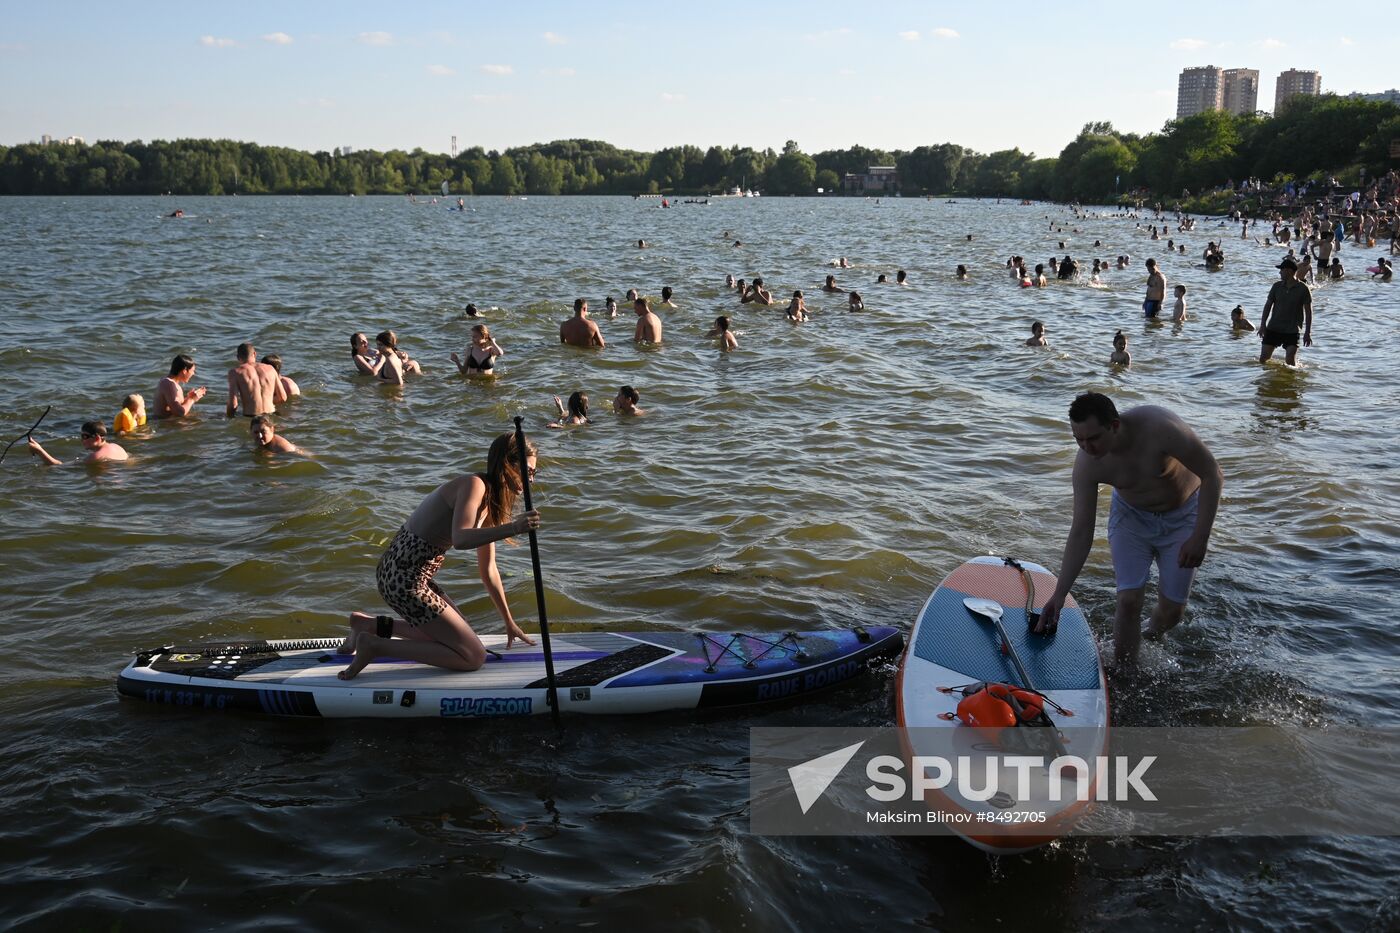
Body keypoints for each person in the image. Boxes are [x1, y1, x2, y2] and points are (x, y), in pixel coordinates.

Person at [336, 432, 541, 680]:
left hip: (412, 576)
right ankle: (375, 645)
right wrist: (514, 528)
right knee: (473, 656)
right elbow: (461, 538)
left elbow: (489, 570)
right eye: (528, 470)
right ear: (507, 464)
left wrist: (509, 621)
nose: (531, 479)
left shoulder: (490, 503)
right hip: (403, 579)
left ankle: (367, 625)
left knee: (459, 637)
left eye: (534, 473)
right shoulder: (474, 485)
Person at [1039, 392, 1223, 665]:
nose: (1086, 448)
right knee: (1128, 601)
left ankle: (1149, 633)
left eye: (1093, 438)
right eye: (1078, 439)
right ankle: (1126, 673)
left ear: (1114, 425)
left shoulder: (1160, 429)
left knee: (1172, 613)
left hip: (1182, 516)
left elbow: (1212, 474)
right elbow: (1080, 531)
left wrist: (1200, 536)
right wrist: (1059, 594)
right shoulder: (1087, 465)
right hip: (1131, 519)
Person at [1258, 257, 1313, 365]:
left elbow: (1308, 312)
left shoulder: (1303, 289)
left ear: (1289, 271)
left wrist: (1307, 332)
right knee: (1263, 360)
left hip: (1292, 330)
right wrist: (1263, 325)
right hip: (1273, 328)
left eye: (1281, 270)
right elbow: (1267, 306)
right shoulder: (1276, 286)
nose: (1279, 272)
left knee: (1290, 362)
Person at [28, 420, 128, 465]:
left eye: (85, 436)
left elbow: (59, 466)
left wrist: (39, 451)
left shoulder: (95, 457)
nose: (82, 440)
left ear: (97, 438)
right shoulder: (116, 446)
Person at [226, 343, 283, 418]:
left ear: (237, 357)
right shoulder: (270, 368)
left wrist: (229, 418)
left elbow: (233, 404)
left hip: (252, 417)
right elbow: (282, 397)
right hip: (271, 414)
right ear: (255, 354)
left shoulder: (235, 373)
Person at [155, 354, 208, 418]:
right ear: (184, 371)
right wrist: (192, 399)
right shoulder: (168, 384)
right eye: (192, 371)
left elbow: (173, 406)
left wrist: (189, 398)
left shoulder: (169, 383)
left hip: (169, 424)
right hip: (167, 426)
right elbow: (180, 412)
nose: (193, 373)